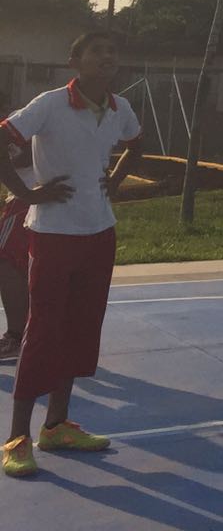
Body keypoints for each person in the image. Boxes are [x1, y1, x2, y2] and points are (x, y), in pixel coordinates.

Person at [0, 31, 143, 478]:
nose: (107, 56)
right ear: (74, 60)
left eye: (112, 50)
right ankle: (18, 437)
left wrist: (114, 181)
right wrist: (27, 193)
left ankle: (56, 426)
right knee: (43, 331)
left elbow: (136, 145)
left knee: (81, 329)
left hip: (99, 233)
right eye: (96, 50)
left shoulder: (120, 108)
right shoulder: (49, 104)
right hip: (53, 234)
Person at [0, 88, 31, 362]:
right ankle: (30, 334)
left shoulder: (18, 121)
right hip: (36, 198)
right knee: (28, 268)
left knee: (6, 261)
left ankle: (16, 335)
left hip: (27, 200)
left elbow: (26, 155)